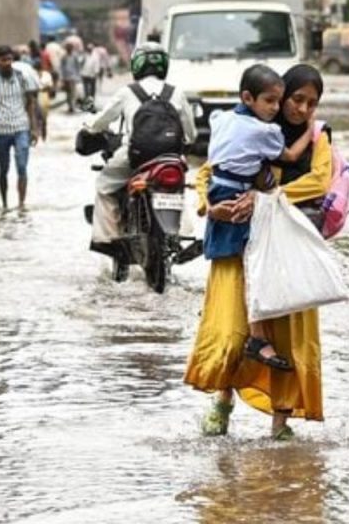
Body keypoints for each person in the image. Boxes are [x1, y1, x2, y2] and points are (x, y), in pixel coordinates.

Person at [186, 64, 333, 441]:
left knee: (287, 338)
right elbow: (208, 172)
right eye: (295, 100)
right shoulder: (247, 131)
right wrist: (209, 206)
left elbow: (318, 180)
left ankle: (280, 425)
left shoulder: (317, 139)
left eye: (311, 104)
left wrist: (265, 199)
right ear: (277, 98)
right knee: (232, 330)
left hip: (285, 251)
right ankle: (221, 406)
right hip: (237, 245)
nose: (301, 110)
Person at [204, 64, 313, 372]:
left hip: (218, 192)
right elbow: (290, 156)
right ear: (248, 98)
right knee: (256, 268)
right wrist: (311, 130)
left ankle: (253, 339)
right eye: (271, 102)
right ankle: (257, 338)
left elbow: (212, 165)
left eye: (279, 101)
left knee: (250, 268)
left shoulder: (223, 118)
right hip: (237, 200)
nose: (277, 108)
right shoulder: (265, 131)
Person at [83, 42, 196, 260]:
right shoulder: (177, 93)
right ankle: (183, 234)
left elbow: (100, 122)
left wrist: (89, 125)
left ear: (137, 65)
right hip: (171, 158)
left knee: (104, 186)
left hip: (134, 157)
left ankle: (108, 238)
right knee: (177, 189)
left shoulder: (127, 92)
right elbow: (190, 134)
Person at [0, 45, 39, 209]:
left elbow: (31, 103)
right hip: (0, 129)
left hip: (21, 127)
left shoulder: (22, 77)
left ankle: (21, 204)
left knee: (22, 166)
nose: (7, 63)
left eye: (10, 59)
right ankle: (4, 204)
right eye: (3, 60)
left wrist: (34, 128)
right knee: (3, 168)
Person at [60, 42, 81, 114]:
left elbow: (77, 67)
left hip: (73, 77)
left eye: (70, 48)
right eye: (67, 48)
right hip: (66, 78)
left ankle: (72, 106)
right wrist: (62, 77)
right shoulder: (64, 57)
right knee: (68, 93)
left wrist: (78, 77)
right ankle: (69, 106)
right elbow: (62, 67)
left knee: (73, 93)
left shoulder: (75, 56)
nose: (69, 49)